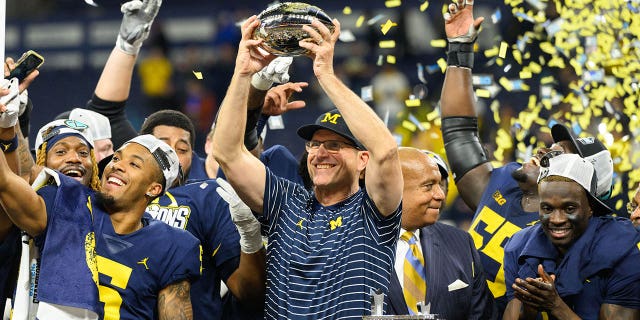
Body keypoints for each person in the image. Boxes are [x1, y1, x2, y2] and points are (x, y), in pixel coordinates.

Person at [212, 15, 403, 320]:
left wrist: (324, 73)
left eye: (335, 145)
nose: (320, 153)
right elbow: (226, 152)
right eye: (314, 145)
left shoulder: (375, 212)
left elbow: (387, 151)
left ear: (362, 160)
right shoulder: (285, 202)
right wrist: (243, 73)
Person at [439, 0, 614, 313]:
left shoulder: (572, 235)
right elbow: (459, 131)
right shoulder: (504, 183)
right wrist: (459, 51)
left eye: (559, 155)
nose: (543, 150)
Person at [0, 130, 202, 318]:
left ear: (154, 188)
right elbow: (6, 182)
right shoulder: (68, 202)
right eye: (116, 158)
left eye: (134, 164)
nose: (116, 165)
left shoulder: (172, 245)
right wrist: (7, 128)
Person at [503, 153, 640, 319]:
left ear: (591, 207)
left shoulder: (622, 252)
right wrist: (530, 308)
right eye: (547, 208)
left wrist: (556, 305)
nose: (556, 219)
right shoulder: (518, 247)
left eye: (569, 209)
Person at [385, 147, 496, 319]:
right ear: (393, 188)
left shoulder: (461, 243)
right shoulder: (352, 245)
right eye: (428, 186)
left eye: (440, 184)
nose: (440, 195)